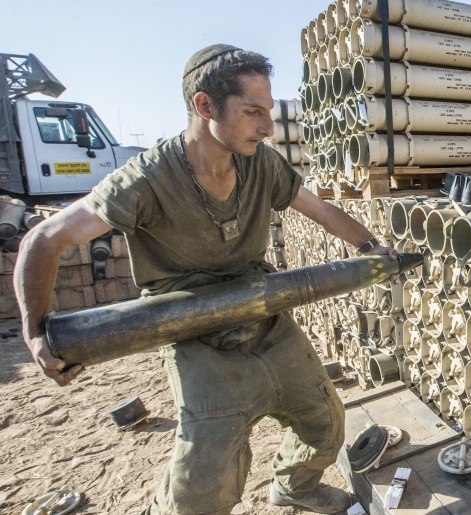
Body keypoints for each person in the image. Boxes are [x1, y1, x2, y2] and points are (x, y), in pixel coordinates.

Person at [14, 44, 397, 515]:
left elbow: (318, 209)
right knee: (206, 475)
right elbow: (43, 240)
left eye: (269, 112)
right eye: (253, 111)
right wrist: (35, 332)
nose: (268, 126)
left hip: (261, 309)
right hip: (190, 329)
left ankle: (295, 486)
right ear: (204, 105)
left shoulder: (261, 162)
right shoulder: (147, 179)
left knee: (324, 419)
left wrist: (369, 250)